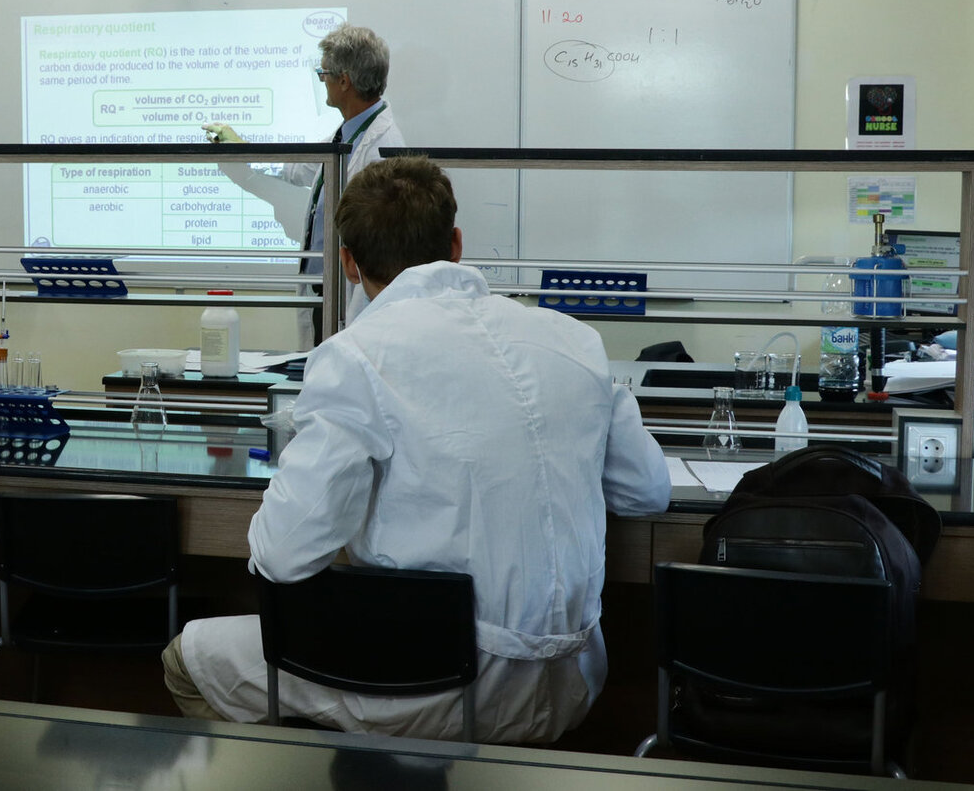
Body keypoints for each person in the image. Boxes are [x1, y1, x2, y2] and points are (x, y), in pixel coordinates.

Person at [165, 158, 671, 742]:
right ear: (456, 244)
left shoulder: (357, 356)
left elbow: (283, 555)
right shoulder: (575, 340)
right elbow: (647, 491)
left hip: (434, 682)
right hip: (571, 683)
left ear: (348, 263)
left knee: (188, 658)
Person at [203, 24, 404, 338]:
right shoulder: (350, 133)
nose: (322, 82)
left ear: (344, 81)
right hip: (328, 293)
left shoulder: (379, 147)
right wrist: (243, 148)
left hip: (355, 303)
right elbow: (299, 167)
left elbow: (379, 248)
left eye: (324, 74)